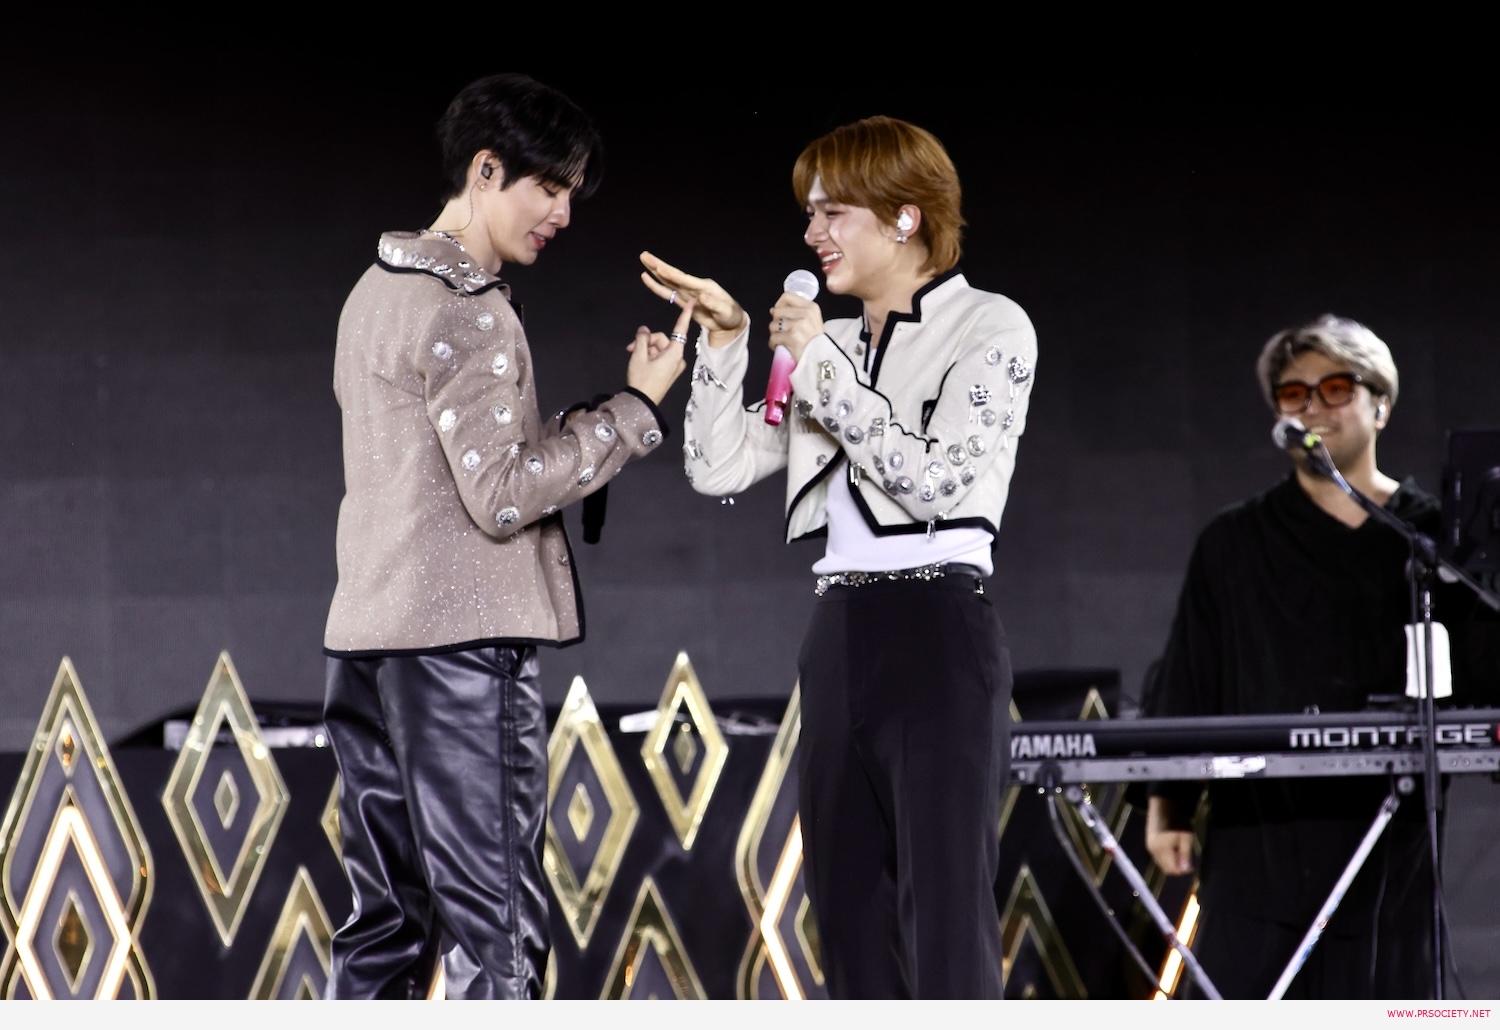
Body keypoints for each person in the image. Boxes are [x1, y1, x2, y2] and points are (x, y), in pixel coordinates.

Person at [639, 116, 1037, 999]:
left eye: (832, 213)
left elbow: (934, 481)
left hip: (938, 631)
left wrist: (818, 361)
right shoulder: (834, 345)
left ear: (904, 217)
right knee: (846, 911)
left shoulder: (990, 325)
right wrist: (727, 344)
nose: (812, 233)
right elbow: (718, 468)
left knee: (945, 914)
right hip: (839, 632)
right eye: (809, 215)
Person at [321, 73, 689, 1000]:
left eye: (570, 193)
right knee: (499, 932)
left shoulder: (372, 292)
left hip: (365, 643)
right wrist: (635, 409)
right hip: (461, 652)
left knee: (382, 928)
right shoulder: (467, 305)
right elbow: (502, 494)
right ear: (486, 171)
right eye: (549, 187)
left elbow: (444, 471)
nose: (562, 214)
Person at [1143, 314, 1500, 999]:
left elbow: (1482, 669)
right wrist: (1169, 804)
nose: (1312, 406)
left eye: (1336, 388)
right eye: (1293, 394)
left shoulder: (1432, 537)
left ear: (1381, 404)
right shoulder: (1233, 541)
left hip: (1390, 843)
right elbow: (1190, 672)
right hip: (1258, 836)